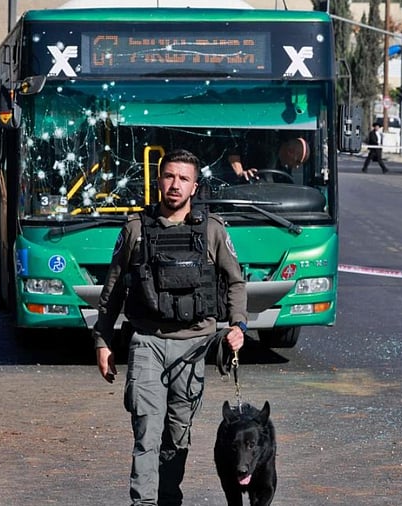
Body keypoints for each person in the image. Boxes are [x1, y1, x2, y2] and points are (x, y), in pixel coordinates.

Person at [93, 149, 247, 505]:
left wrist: (237, 324)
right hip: (147, 342)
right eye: (169, 176)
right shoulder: (135, 229)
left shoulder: (212, 231)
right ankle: (143, 502)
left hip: (195, 345)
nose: (175, 185)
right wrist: (102, 341)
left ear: (194, 187)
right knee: (146, 428)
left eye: (183, 179)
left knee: (178, 434)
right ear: (158, 180)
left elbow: (235, 282)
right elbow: (113, 289)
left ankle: (167, 498)